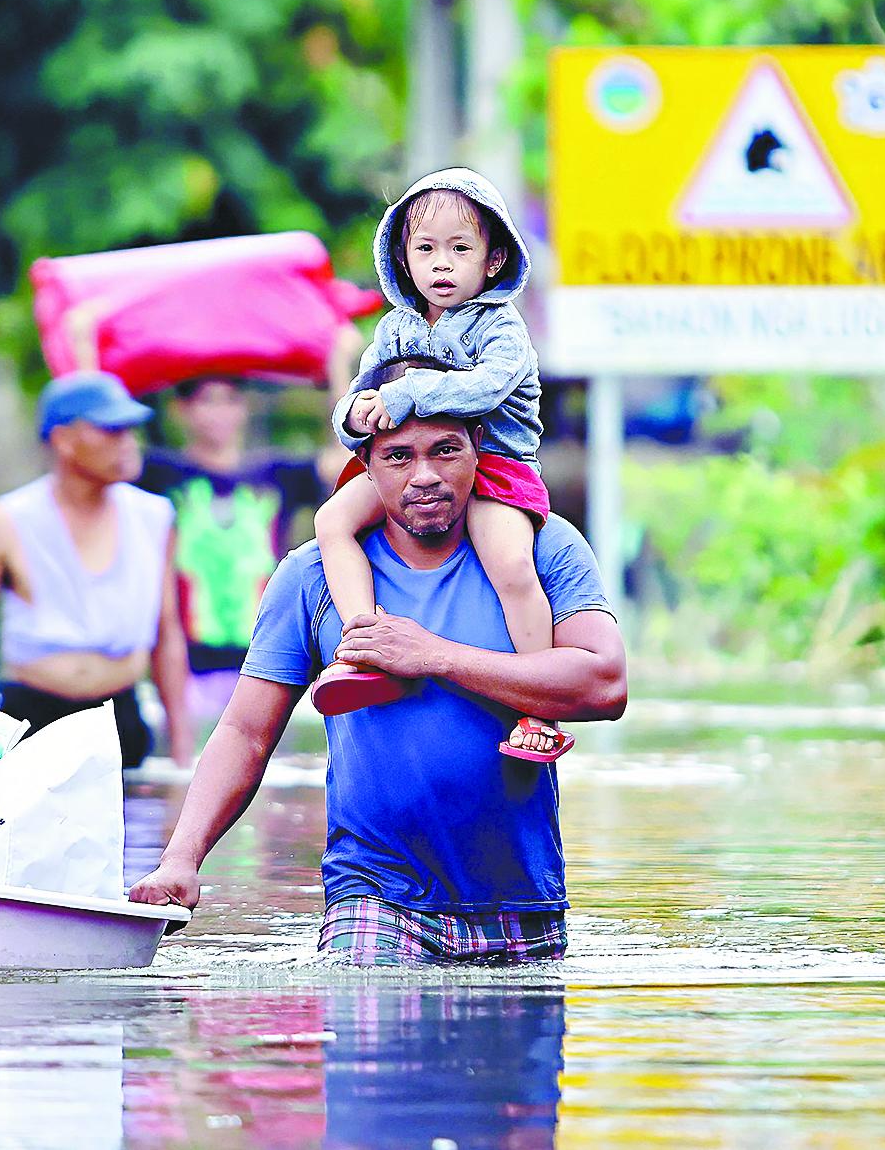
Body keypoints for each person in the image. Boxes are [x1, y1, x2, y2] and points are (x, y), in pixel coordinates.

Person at [129, 412, 628, 965]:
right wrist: (181, 856)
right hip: (372, 898)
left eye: (445, 450)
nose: (425, 476)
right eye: (398, 456)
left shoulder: (539, 544)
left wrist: (436, 656)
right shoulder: (312, 577)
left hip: (520, 898)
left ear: (479, 448)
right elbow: (246, 733)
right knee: (370, 1024)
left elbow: (603, 684)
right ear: (363, 465)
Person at [311, 168, 565, 760]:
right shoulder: (397, 327)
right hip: (413, 465)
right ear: (402, 257)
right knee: (331, 522)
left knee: (510, 563)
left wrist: (403, 398)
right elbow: (359, 393)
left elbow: (487, 387)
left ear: (494, 260)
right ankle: (363, 645)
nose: (442, 265)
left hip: (494, 464)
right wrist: (353, 418)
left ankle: (538, 704)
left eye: (460, 249)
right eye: (425, 250)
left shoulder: (500, 326)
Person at [0, 372, 194, 769]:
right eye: (111, 431)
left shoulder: (154, 517)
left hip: (118, 716)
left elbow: (167, 634)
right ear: (64, 440)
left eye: (130, 431)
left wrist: (182, 754)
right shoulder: (9, 519)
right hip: (29, 716)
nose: (128, 444)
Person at [135, 329, 360, 721]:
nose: (220, 413)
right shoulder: (162, 476)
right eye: (207, 401)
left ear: (245, 408)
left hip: (267, 664)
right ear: (181, 410)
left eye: (230, 400)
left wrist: (338, 367)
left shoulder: (275, 474)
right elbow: (98, 443)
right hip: (184, 668)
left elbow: (346, 464)